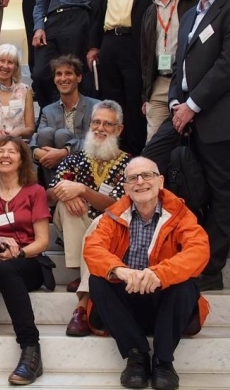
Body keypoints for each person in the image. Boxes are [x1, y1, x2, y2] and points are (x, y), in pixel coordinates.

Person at [142, 0, 230, 292]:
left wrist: (192, 105)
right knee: (147, 164)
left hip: (219, 117)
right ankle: (163, 248)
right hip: (183, 114)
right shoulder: (192, 13)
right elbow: (180, 66)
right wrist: (176, 102)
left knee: (221, 192)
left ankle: (210, 270)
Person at [84, 156, 210, 390]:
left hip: (165, 303)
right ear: (125, 187)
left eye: (147, 175)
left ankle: (163, 361)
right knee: (98, 281)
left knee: (187, 284)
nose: (140, 182)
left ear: (160, 181)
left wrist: (159, 274)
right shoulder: (113, 215)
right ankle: (136, 357)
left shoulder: (180, 214)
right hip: (128, 305)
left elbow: (198, 250)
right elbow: (93, 248)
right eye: (133, 178)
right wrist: (120, 270)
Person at [0, 136, 50, 385]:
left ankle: (31, 349)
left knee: (7, 271)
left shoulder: (35, 191)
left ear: (22, 160)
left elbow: (42, 241)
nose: (5, 155)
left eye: (12, 151)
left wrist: (19, 253)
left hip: (27, 262)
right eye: (0, 151)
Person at [47, 100, 129, 336]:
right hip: (75, 224)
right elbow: (48, 197)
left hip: (110, 235)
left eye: (107, 124)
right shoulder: (74, 158)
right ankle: (84, 276)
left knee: (100, 222)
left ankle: (82, 307)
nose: (100, 128)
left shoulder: (129, 165)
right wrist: (65, 192)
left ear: (119, 129)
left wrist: (81, 190)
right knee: (67, 205)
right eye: (96, 122)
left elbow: (119, 206)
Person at [89, 0, 157, 156]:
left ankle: (134, 155)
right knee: (111, 101)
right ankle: (111, 153)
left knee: (134, 102)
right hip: (109, 43)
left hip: (136, 45)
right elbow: (99, 8)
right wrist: (93, 45)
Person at [140, 0, 199, 142]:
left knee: (188, 144)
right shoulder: (150, 10)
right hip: (159, 85)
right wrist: (146, 94)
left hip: (187, 84)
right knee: (152, 147)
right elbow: (146, 56)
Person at [30, 55, 99, 186]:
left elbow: (96, 141)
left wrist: (65, 152)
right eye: (59, 74)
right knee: (45, 133)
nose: (63, 78)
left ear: (79, 77)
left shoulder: (96, 107)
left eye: (68, 73)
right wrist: (37, 152)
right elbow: (37, 139)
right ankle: (55, 189)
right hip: (53, 169)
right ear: (54, 79)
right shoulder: (47, 110)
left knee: (62, 135)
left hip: (86, 169)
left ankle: (58, 189)